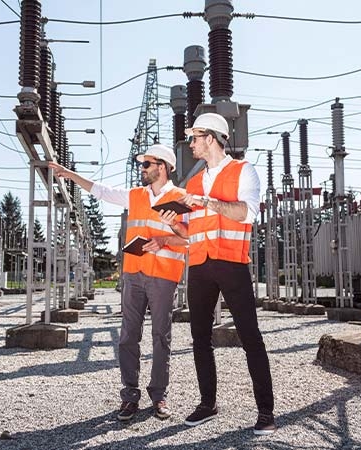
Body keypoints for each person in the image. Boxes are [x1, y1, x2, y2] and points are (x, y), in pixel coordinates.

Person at [48, 144, 189, 422]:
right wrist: (69, 174)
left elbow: (189, 239)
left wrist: (163, 239)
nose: (142, 169)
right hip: (133, 275)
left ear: (162, 166)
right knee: (128, 336)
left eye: (147, 164)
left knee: (161, 337)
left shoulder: (181, 197)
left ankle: (158, 395)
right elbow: (101, 190)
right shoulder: (135, 196)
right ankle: (129, 396)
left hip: (163, 275)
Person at [161, 112, 277, 435]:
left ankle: (266, 412)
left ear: (211, 138)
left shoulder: (243, 172)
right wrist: (175, 224)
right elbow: (191, 231)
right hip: (199, 265)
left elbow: (246, 213)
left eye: (195, 137)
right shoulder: (194, 183)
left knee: (250, 336)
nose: (191, 143)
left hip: (232, 263)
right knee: (199, 337)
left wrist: (207, 201)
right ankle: (208, 403)